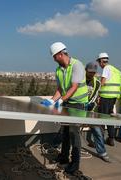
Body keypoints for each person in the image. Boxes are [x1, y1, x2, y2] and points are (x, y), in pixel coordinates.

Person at [41, 42, 88, 175]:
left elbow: (74, 87)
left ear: (61, 54)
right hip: (67, 101)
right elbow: (60, 89)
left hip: (78, 104)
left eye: (55, 57)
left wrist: (61, 100)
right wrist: (52, 100)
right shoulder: (58, 70)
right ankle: (64, 157)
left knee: (74, 133)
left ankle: (75, 163)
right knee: (65, 132)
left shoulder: (77, 65)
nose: (54, 60)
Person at [85, 62, 110, 162]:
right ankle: (56, 146)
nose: (91, 74)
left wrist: (88, 107)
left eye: (93, 72)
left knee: (97, 130)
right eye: (89, 72)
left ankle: (102, 152)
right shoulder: (80, 80)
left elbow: (94, 97)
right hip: (76, 109)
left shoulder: (97, 83)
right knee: (66, 128)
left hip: (89, 109)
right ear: (85, 70)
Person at [96, 52, 121, 146]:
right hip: (113, 97)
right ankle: (111, 138)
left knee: (102, 117)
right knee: (109, 117)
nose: (99, 65)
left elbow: (102, 82)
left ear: (101, 61)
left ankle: (100, 139)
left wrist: (96, 93)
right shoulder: (116, 70)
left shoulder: (106, 68)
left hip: (106, 97)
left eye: (99, 62)